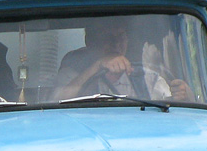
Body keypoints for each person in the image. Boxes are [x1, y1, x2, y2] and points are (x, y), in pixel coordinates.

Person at [53, 19, 194, 103]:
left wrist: (185, 95)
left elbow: (169, 106)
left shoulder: (147, 78)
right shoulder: (71, 74)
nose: (116, 44)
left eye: (121, 37)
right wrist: (97, 66)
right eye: (107, 38)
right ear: (90, 41)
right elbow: (56, 102)